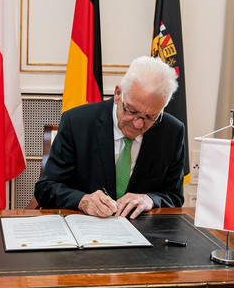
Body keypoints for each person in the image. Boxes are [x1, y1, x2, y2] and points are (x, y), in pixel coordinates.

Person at [34, 56, 185, 219]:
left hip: (144, 233)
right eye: (132, 111)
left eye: (150, 117)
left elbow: (174, 196)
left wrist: (149, 199)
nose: (138, 124)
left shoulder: (172, 131)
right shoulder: (77, 123)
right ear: (118, 93)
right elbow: (46, 188)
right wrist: (83, 200)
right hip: (87, 230)